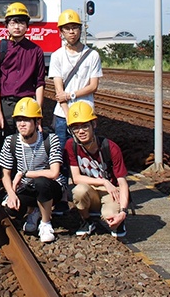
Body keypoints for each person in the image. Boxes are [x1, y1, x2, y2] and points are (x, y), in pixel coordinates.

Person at [0, 97, 65, 243]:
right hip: (26, 186)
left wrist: (24, 173)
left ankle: (46, 223)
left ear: (36, 121)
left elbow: (54, 173)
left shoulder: (50, 139)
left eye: (27, 120)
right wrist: (11, 194)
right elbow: (5, 173)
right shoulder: (11, 141)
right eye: (19, 119)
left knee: (41, 183)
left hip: (51, 187)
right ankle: (34, 210)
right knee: (11, 209)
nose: (22, 124)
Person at [65, 101, 129, 239]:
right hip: (92, 189)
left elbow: (122, 183)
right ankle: (86, 220)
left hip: (110, 192)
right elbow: (76, 178)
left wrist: (123, 212)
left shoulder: (110, 147)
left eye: (85, 126)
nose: (80, 131)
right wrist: (104, 181)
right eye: (75, 128)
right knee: (78, 191)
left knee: (111, 219)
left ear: (93, 124)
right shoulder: (71, 146)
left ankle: (118, 219)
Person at [0, 2, 46, 137]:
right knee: (5, 144)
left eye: (21, 23)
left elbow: (39, 83)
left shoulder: (36, 51)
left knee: (27, 142)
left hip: (27, 103)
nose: (17, 27)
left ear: (27, 26)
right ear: (7, 26)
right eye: (13, 23)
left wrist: (38, 112)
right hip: (6, 105)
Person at [49, 9, 102, 148]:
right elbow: (59, 91)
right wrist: (68, 114)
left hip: (86, 112)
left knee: (85, 152)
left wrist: (71, 94)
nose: (71, 32)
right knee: (61, 153)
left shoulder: (92, 55)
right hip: (62, 114)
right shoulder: (57, 56)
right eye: (67, 28)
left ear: (80, 30)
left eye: (75, 28)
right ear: (61, 32)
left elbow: (93, 86)